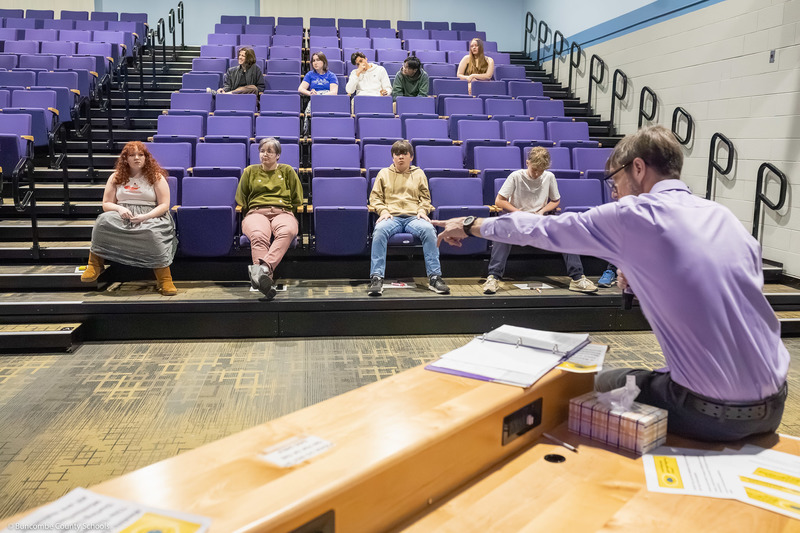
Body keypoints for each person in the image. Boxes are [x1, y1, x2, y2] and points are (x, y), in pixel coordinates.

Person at [433, 125, 788, 442]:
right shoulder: (722, 215)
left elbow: (542, 230)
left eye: (614, 181)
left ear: (638, 168)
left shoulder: (634, 216)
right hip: (776, 404)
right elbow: (722, 287)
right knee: (648, 376)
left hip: (706, 411)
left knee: (589, 384)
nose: (615, 193)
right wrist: (644, 278)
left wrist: (467, 224)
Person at [482, 147, 597, 295]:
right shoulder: (516, 176)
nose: (537, 174)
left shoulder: (548, 177)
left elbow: (556, 200)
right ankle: (493, 277)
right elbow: (499, 201)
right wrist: (519, 213)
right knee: (501, 228)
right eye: (534, 169)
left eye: (541, 170)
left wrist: (542, 211)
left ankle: (577, 278)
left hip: (539, 221)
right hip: (517, 220)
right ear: (527, 163)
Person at [81, 141, 178, 296]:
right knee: (103, 221)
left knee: (152, 233)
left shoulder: (156, 177)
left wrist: (145, 216)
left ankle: (165, 280)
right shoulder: (116, 177)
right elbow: (106, 204)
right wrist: (119, 208)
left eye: (140, 154)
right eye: (132, 155)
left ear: (146, 158)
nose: (137, 158)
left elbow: (164, 205)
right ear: (125, 159)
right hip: (123, 214)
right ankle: (95, 265)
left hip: (151, 214)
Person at [368, 140, 449, 296]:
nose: (400, 157)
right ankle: (377, 277)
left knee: (429, 230)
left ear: (411, 157)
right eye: (397, 154)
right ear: (392, 157)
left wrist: (422, 210)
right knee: (379, 231)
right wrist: (383, 211)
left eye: (404, 154)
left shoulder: (419, 173)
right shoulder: (383, 174)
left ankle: (434, 277)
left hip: (414, 217)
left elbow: (425, 197)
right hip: (391, 217)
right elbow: (375, 198)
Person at [236, 137, 303, 300]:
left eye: (269, 151)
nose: (265, 154)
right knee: (258, 235)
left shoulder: (287, 171)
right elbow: (241, 198)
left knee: (287, 231)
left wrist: (285, 211)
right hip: (256, 212)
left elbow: (297, 198)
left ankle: (262, 270)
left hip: (283, 212)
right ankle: (266, 282)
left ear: (278, 155)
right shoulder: (250, 171)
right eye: (262, 151)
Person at [298, 51, 339, 135]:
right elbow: (300, 89)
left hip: (328, 100)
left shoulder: (331, 75)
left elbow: (334, 92)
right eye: (313, 60)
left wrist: (320, 95)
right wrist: (311, 93)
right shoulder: (310, 75)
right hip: (315, 100)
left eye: (318, 60)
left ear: (324, 62)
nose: (315, 63)